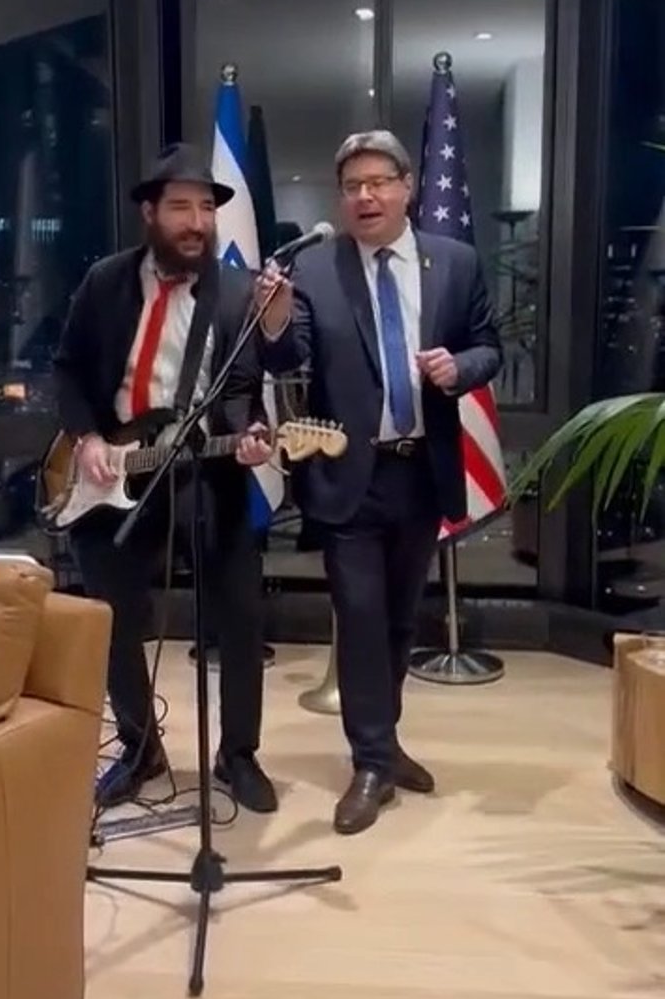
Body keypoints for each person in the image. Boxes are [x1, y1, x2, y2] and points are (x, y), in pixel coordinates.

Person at [258, 130, 502, 835]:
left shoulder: (454, 262)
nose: (365, 196)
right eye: (352, 186)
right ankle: (370, 761)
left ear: (407, 188)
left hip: (421, 472)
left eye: (378, 183)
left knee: (398, 619)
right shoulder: (317, 268)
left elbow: (489, 345)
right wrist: (274, 317)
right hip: (348, 474)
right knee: (361, 617)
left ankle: (384, 743)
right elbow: (285, 356)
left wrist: (460, 369)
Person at [54, 142, 278, 815]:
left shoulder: (235, 292)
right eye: (181, 207)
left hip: (203, 470)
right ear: (150, 212)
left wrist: (252, 434)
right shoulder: (105, 282)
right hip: (111, 471)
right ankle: (138, 747)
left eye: (206, 208)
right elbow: (69, 369)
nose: (197, 222)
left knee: (240, 613)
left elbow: (241, 388)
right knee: (113, 620)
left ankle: (238, 754)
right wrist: (87, 438)